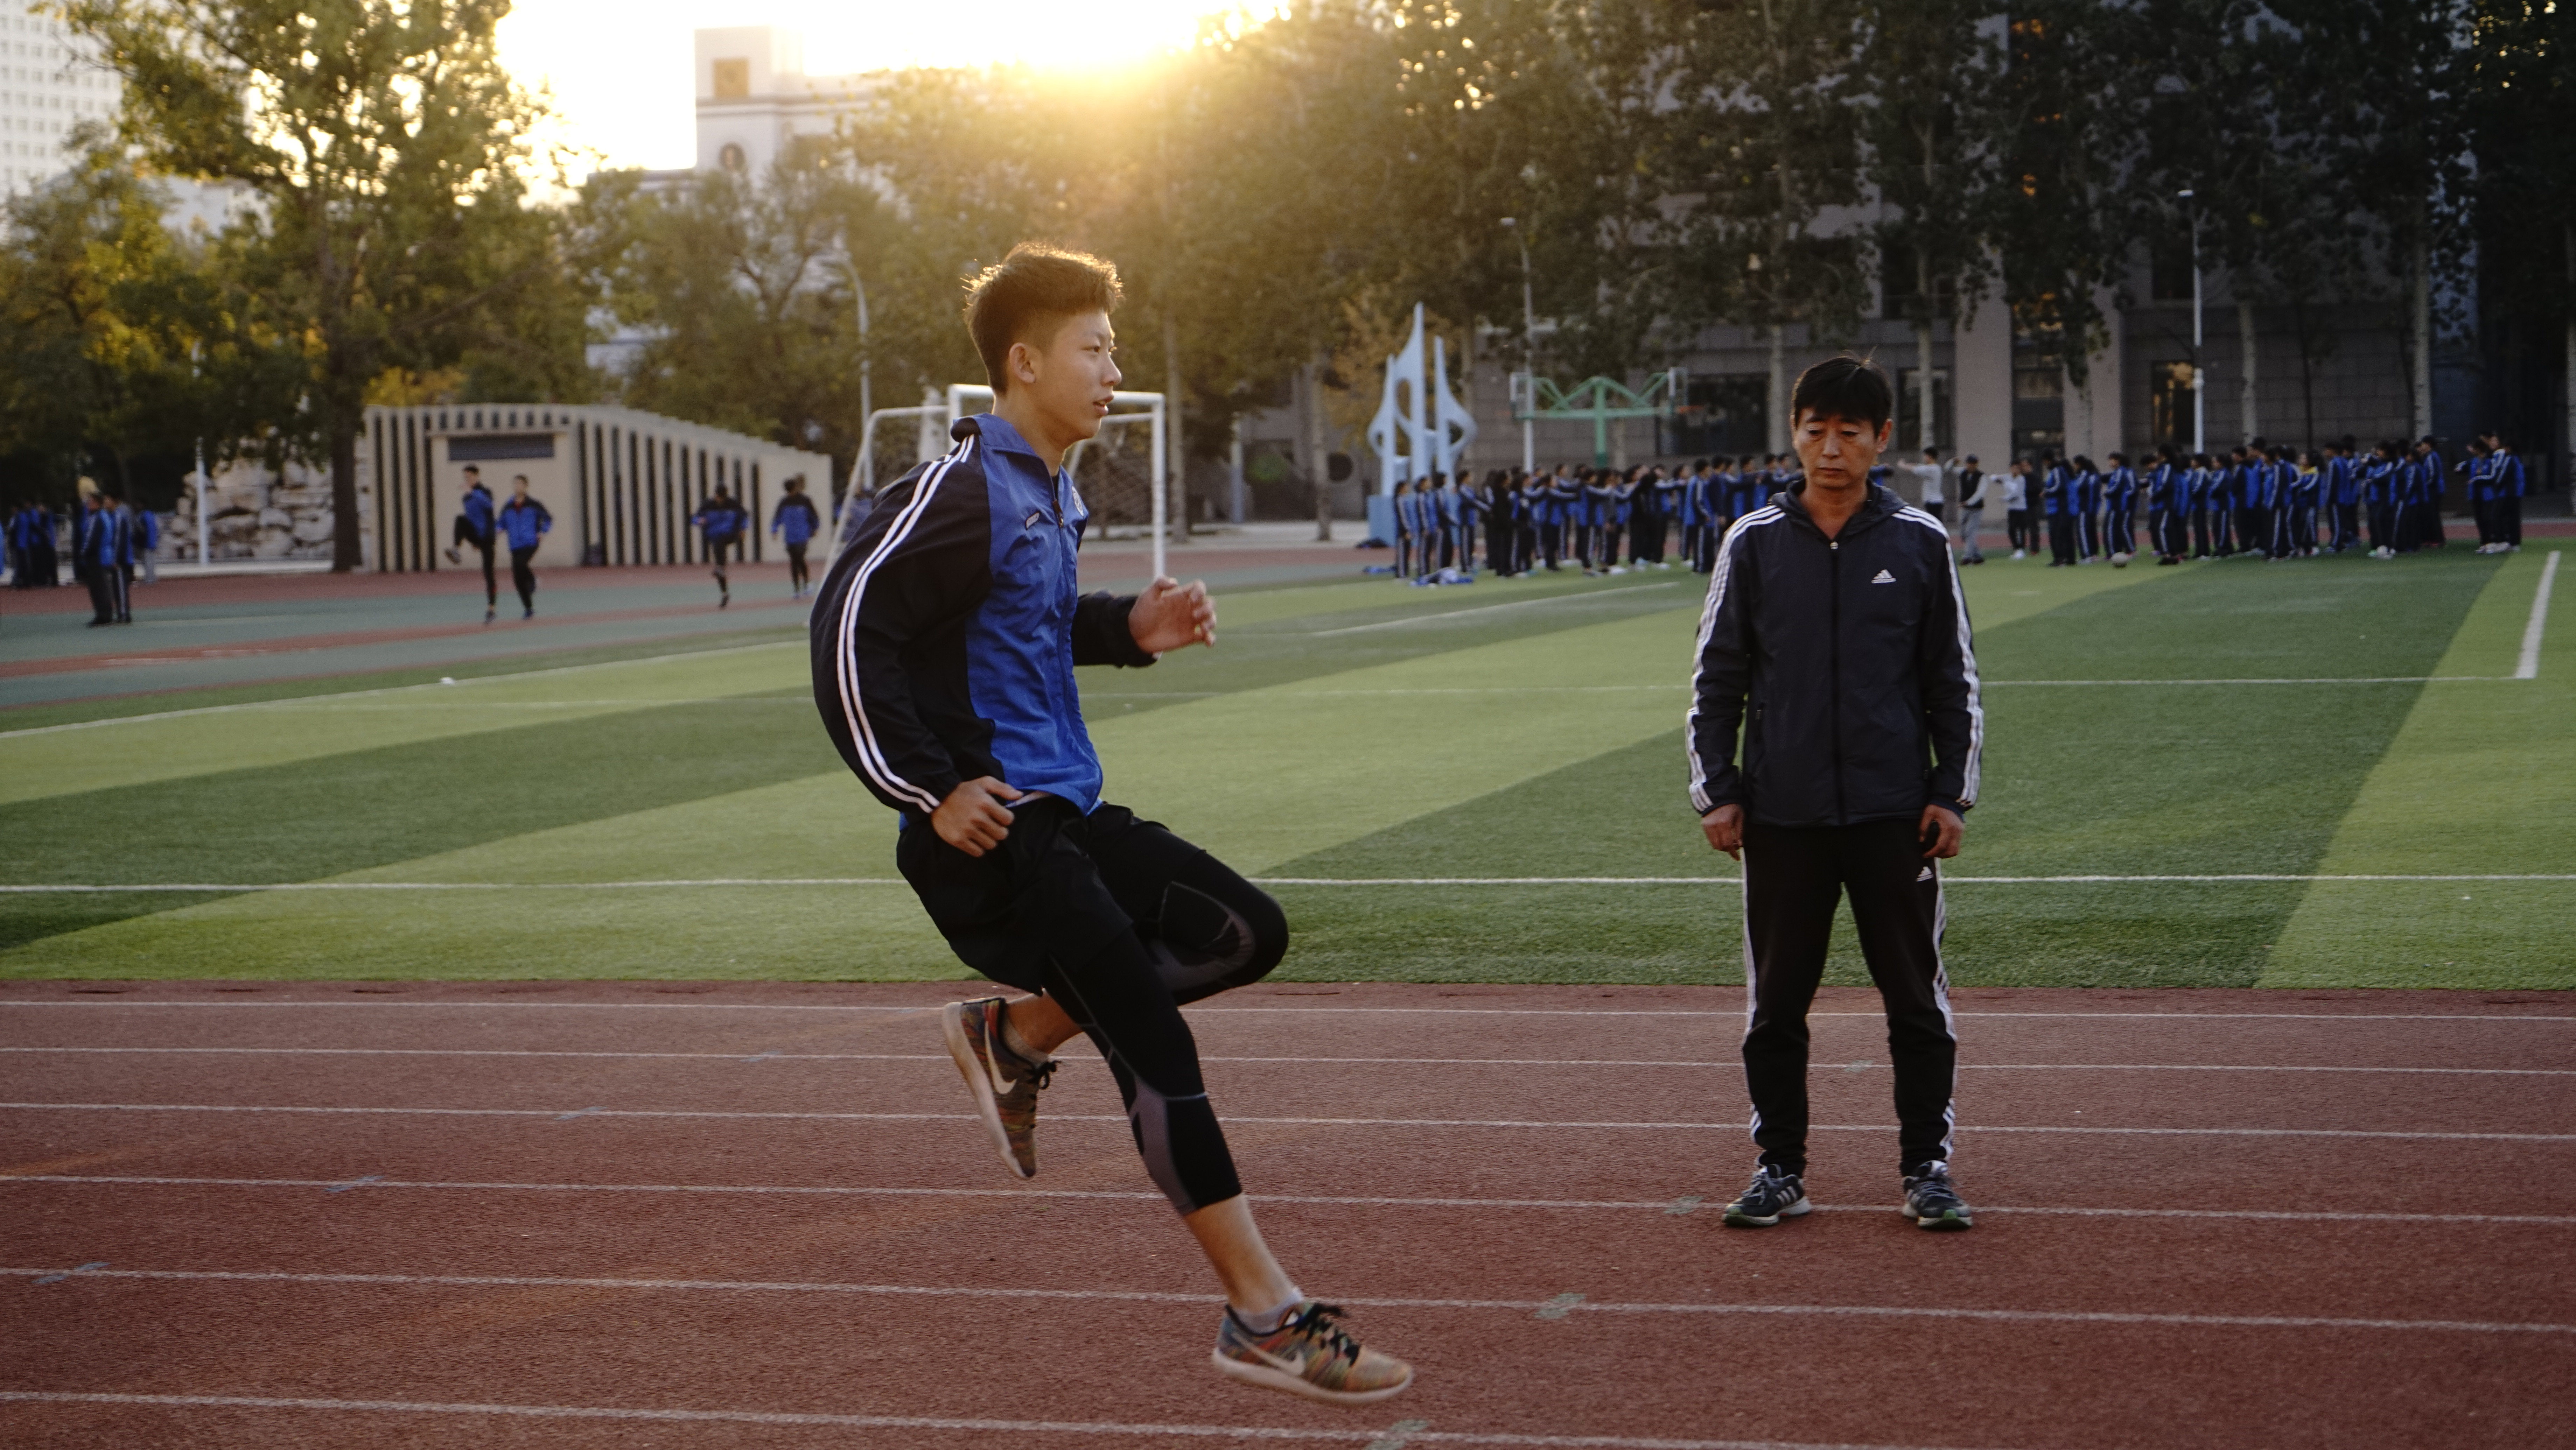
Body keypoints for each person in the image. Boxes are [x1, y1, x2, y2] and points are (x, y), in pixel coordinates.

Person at [808, 242, 1413, 1405]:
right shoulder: (961, 486)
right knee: (1155, 1038)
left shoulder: (1048, 493)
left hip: (1065, 814)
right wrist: (929, 791)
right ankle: (1265, 1316)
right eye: (1093, 348)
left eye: (1113, 347)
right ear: (1024, 361)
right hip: (994, 834)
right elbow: (847, 630)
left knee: (1244, 930)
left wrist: (1129, 626)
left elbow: (1022, 630)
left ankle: (1017, 1036)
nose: (1110, 367)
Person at [1687, 354, 1982, 1234]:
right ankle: (1780, 1167)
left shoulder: (1919, 543)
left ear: (1881, 439)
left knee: (1915, 1001)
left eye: (1849, 432)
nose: (1829, 448)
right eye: (1814, 429)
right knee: (1775, 1004)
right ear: (1794, 433)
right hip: (1782, 815)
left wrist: (1949, 795)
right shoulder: (1753, 542)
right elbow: (1717, 679)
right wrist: (1718, 792)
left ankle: (1925, 1167)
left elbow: (1951, 682)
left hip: (1895, 816)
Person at [446, 465, 500, 623]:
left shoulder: (485, 492)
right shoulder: (466, 498)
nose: (467, 480)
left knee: (489, 575)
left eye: (470, 477)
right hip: (477, 536)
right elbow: (471, 518)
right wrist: (471, 540)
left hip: (488, 538)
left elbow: (489, 506)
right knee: (460, 519)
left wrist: (473, 493)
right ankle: (456, 550)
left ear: (477, 477)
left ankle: (492, 610)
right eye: (465, 477)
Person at [496, 475, 550, 618]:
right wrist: (498, 529)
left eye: (520, 484)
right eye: (515, 484)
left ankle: (532, 580)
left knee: (521, 564)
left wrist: (542, 532)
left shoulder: (533, 504)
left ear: (526, 486)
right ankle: (529, 609)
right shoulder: (508, 506)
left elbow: (548, 519)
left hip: (531, 542)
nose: (517, 487)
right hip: (515, 544)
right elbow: (501, 522)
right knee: (518, 579)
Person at [76, 489, 129, 627]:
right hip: (102, 556)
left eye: (91, 502)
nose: (88, 504)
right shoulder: (102, 516)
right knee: (102, 587)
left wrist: (84, 553)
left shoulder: (99, 517)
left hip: (98, 557)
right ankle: (106, 614)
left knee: (99, 588)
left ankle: (105, 616)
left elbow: (93, 538)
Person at [692, 485, 748, 606]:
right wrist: (699, 521)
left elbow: (744, 516)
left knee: (720, 545)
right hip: (715, 537)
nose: (720, 500)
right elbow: (695, 519)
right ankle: (725, 593)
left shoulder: (733, 504)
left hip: (730, 535)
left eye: (722, 498)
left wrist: (743, 529)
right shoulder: (708, 505)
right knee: (719, 566)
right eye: (718, 498)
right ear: (716, 495)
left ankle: (720, 568)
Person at [773, 476, 823, 597]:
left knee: (800, 558)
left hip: (803, 535)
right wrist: (774, 530)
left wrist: (815, 528)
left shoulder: (805, 500)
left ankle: (807, 583)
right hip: (790, 536)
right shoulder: (784, 502)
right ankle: (796, 588)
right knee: (794, 561)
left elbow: (814, 516)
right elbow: (777, 518)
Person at [1952, 455, 1987, 564]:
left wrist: (1969, 502)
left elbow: (1980, 494)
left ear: (1976, 465)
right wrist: (1954, 461)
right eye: (1968, 464)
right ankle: (1978, 557)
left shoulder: (1982, 477)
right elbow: (1948, 469)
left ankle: (1967, 557)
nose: (1970, 466)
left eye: (1972, 464)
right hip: (1965, 509)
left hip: (1976, 509)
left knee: (1970, 532)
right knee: (1964, 533)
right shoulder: (1962, 473)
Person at [2001, 458, 2031, 559]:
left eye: (2017, 468)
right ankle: (2016, 549)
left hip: (2021, 508)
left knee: (2021, 530)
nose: (2015, 470)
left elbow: (2017, 494)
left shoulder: (2021, 479)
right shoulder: (2008, 478)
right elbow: (1999, 479)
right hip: (2012, 509)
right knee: (2011, 530)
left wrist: (2004, 499)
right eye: (2014, 468)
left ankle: (2021, 550)